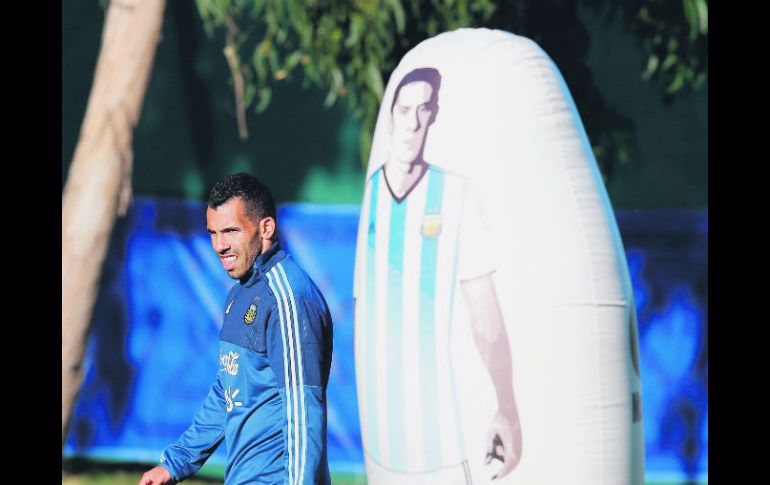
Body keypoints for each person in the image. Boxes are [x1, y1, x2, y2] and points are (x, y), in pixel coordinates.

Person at [354, 67, 522, 483]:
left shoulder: (453, 193)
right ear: (392, 113)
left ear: (434, 115)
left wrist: (506, 407)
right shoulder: (373, 195)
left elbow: (486, 318)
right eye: (405, 109)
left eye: (423, 109)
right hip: (386, 440)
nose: (412, 122)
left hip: (436, 438)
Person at [139, 173, 334, 485]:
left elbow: (303, 410)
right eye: (213, 233)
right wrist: (175, 464)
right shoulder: (242, 292)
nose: (219, 245)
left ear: (266, 227)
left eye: (230, 231)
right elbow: (227, 392)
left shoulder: (287, 298)